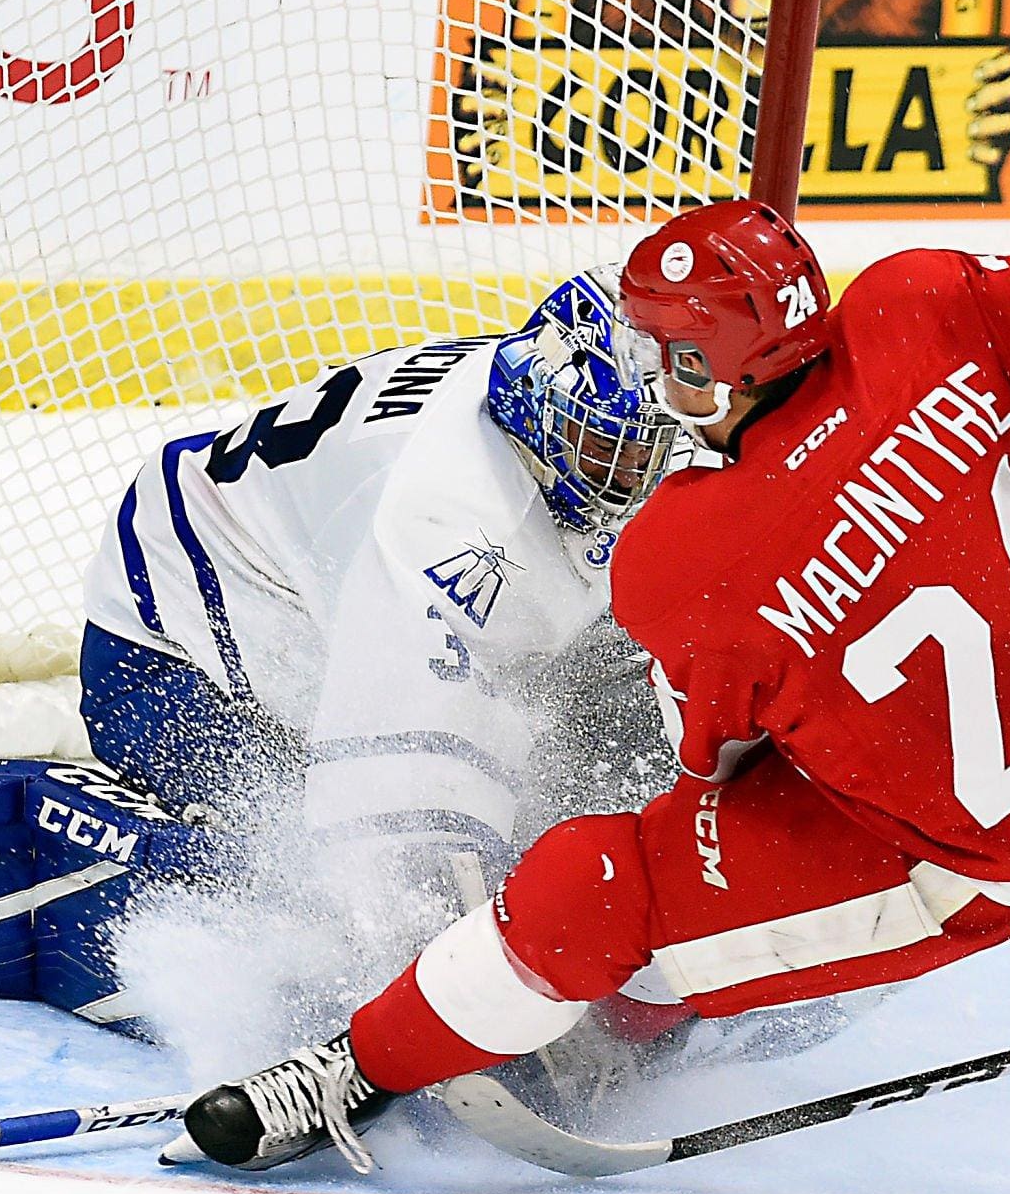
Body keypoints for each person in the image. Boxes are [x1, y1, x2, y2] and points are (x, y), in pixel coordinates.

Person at [163, 200, 1010, 1173]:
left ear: (709, 370)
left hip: (969, 862)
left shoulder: (687, 552)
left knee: (593, 886)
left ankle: (365, 1062)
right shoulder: (923, 301)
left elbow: (709, 770)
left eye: (670, 357)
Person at [78, 267, 689, 888]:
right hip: (172, 627)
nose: (633, 475)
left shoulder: (532, 399)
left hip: (317, 567)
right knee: (279, 877)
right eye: (604, 443)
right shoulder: (435, 506)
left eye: (652, 446)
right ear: (539, 403)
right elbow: (396, 802)